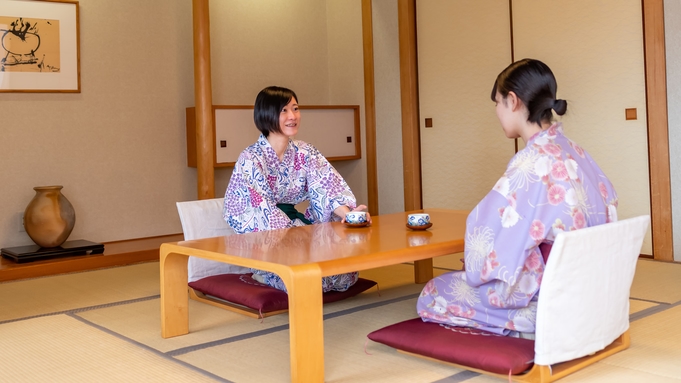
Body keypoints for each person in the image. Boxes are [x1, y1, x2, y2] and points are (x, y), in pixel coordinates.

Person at [417, 59, 618, 337]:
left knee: (433, 293)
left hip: (551, 299)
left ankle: (528, 329)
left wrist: (482, 263)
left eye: (497, 104)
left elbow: (487, 228)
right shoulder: (575, 151)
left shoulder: (530, 162)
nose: (497, 112)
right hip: (592, 293)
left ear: (512, 101)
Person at [223, 85, 369, 293]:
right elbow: (260, 209)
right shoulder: (251, 158)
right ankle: (263, 273)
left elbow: (326, 185)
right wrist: (299, 235)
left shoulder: (305, 151)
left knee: (344, 275)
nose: (292, 116)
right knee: (306, 280)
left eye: (295, 108)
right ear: (266, 114)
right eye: (284, 110)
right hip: (266, 240)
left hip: (296, 229)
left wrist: (348, 215)